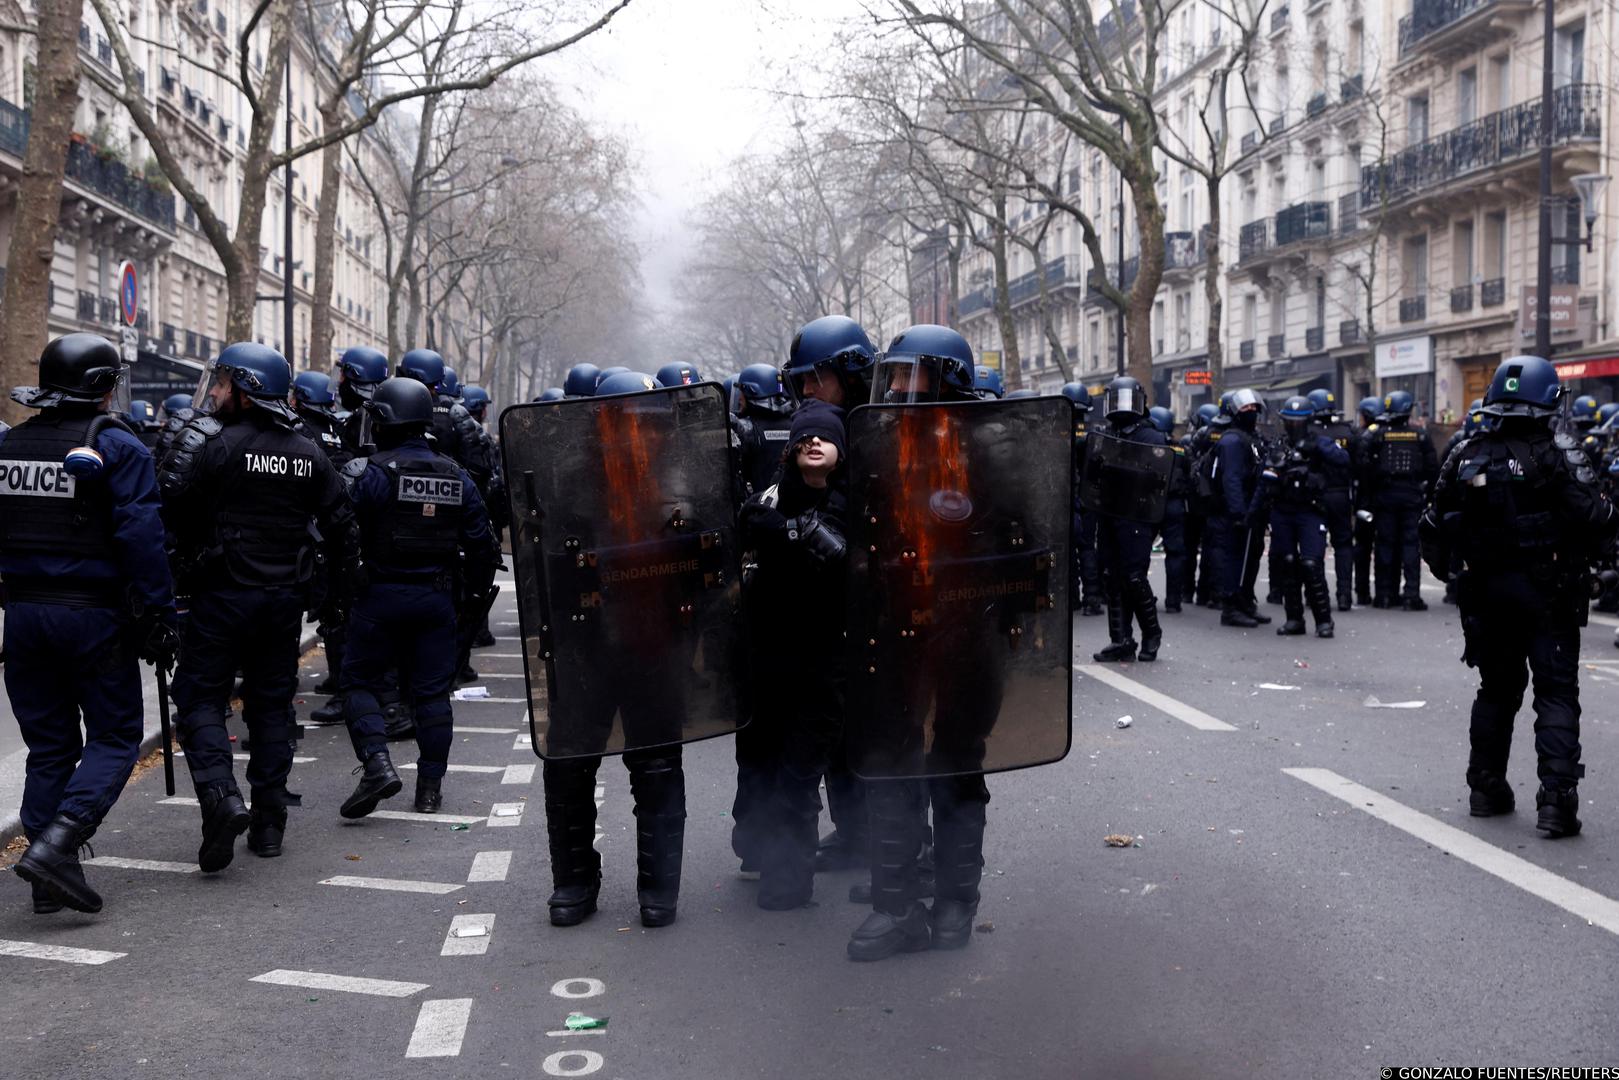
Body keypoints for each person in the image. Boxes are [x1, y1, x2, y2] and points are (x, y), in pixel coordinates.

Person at [158, 343, 360, 868]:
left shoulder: (214, 446)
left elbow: (169, 516)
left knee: (200, 700)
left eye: (223, 384)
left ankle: (222, 798)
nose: (217, 393)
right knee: (272, 707)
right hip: (282, 604)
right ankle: (269, 825)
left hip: (220, 597)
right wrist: (336, 599)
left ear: (246, 393)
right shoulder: (308, 451)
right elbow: (343, 528)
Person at [3, 334, 177, 914]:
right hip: (92, 616)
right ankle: (59, 843)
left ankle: (49, 880)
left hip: (24, 615)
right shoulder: (118, 445)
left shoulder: (11, 447)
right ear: (103, 386)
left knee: (49, 745)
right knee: (116, 736)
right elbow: (142, 537)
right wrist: (159, 612)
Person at [1422, 356, 1617, 837]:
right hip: (1548, 594)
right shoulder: (1559, 451)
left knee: (1497, 689)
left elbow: (1432, 524)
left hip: (1486, 593)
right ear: (1547, 398)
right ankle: (1556, 804)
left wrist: (1450, 570)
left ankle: (1486, 788)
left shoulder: (1467, 451)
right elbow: (1597, 519)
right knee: (1554, 694)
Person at [847, 324, 992, 961]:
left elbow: (1029, 535)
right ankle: (897, 908)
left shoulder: (992, 446)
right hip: (892, 633)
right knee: (890, 766)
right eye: (895, 375)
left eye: (915, 376)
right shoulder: (876, 443)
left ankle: (957, 905)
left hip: (965, 631)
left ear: (949, 382)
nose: (900, 388)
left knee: (958, 765)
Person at [335, 378, 498, 818]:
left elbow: (335, 531)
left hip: (378, 598)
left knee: (359, 683)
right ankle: (429, 790)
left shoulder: (367, 474)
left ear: (384, 419)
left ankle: (377, 764)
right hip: (436, 601)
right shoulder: (455, 475)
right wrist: (474, 599)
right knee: (430, 696)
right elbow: (483, 544)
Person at [736, 401, 850, 909]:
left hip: (821, 666)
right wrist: (789, 531)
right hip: (766, 662)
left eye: (824, 437)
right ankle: (764, 857)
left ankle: (791, 879)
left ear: (841, 451)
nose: (813, 443)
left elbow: (836, 556)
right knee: (761, 764)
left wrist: (790, 532)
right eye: (804, 437)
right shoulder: (770, 496)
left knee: (799, 778)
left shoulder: (852, 503)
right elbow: (749, 524)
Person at [1091, 381, 1168, 662]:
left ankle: (1151, 633)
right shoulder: (1106, 434)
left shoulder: (1151, 437)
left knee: (1134, 577)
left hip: (1137, 517)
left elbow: (1158, 479)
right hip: (1110, 514)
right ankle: (1121, 640)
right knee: (1112, 577)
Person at [1262, 397, 1349, 638]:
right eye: (1289, 421)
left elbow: (1343, 460)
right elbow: (1265, 476)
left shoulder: (1320, 442)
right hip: (1283, 510)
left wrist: (1316, 448)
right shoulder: (1279, 444)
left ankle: (1323, 621)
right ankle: (1294, 619)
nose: (1293, 426)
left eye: (1298, 421)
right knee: (1288, 563)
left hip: (1311, 510)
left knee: (1311, 564)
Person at [1362, 389, 1438, 609]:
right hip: (1412, 496)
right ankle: (1411, 595)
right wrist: (1428, 493)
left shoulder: (1378, 434)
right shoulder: (1420, 435)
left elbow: (1365, 465)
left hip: (1385, 497)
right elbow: (1432, 468)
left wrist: (1371, 493)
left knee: (1385, 545)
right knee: (1410, 546)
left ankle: (1385, 595)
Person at [1212, 390, 1271, 627]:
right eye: (1246, 409)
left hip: (1253, 509)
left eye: (1255, 408)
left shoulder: (1251, 437)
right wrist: (1238, 513)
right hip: (1239, 510)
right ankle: (1230, 607)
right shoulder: (1232, 441)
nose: (1252, 413)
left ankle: (1245, 601)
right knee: (1235, 557)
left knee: (1251, 556)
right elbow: (1232, 479)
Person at [1308, 389, 1357, 611]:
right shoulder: (1347, 431)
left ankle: (1314, 595)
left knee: (1314, 546)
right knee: (1343, 546)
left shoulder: (1308, 432)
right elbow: (1358, 464)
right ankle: (1345, 595)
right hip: (1340, 494)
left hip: (1315, 496)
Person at [1060, 382, 1104, 616]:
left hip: (1067, 501)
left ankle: (1072, 598)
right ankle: (1092, 598)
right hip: (1089, 500)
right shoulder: (1095, 433)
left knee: (1068, 552)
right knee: (1087, 550)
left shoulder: (1058, 431)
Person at [731, 362, 797, 500]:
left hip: (760, 510)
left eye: (742, 391)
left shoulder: (744, 429)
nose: (740, 398)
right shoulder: (797, 424)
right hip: (797, 512)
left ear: (751, 391)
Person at [781, 315, 876, 408]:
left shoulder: (881, 419)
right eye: (803, 381)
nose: (806, 391)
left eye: (815, 379)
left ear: (850, 378)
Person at [1150, 405, 1190, 613]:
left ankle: (1141, 596)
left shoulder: (1148, 446)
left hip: (1151, 503)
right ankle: (1174, 601)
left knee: (1139, 552)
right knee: (1175, 553)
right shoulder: (1180, 449)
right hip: (1174, 505)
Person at [1351, 396, 1382, 605]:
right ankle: (1384, 593)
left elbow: (1357, 468)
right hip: (1384, 499)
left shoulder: (1363, 437)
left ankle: (1363, 593)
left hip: (1365, 499)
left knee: (1362, 547)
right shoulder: (1387, 433)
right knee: (1384, 547)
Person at [334, 346, 389, 457]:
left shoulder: (367, 419)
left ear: (357, 377)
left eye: (343, 375)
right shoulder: (379, 412)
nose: (339, 380)